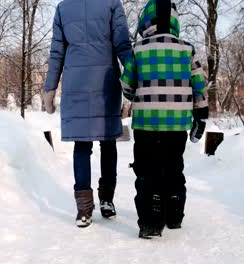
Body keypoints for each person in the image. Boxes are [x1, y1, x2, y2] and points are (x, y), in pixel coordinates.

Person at [120, 0, 209, 239]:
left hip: (146, 123)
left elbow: (127, 85)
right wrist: (201, 114)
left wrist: (139, 92)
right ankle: (174, 215)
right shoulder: (187, 49)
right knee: (173, 166)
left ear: (146, 22)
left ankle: (150, 221)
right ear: (174, 22)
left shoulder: (137, 50)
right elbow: (199, 87)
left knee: (146, 170)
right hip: (176, 123)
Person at [43, 0, 132, 228]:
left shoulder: (63, 8)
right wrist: (134, 82)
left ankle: (84, 210)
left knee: (82, 145)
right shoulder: (112, 3)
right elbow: (123, 45)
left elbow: (56, 53)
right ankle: (107, 201)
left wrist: (50, 89)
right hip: (106, 83)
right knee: (108, 142)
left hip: (76, 86)